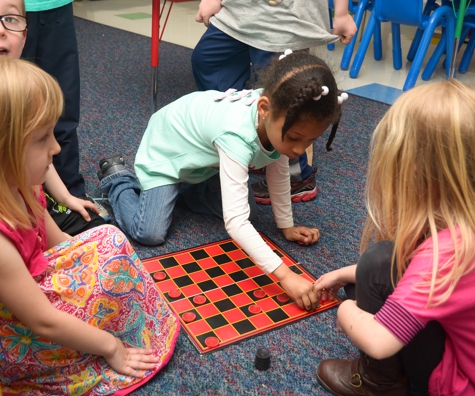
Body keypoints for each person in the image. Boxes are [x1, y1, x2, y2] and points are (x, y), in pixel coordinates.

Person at [99, 51, 347, 311]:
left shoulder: (282, 106)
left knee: (248, 212)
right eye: (295, 138)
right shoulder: (237, 134)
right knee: (149, 233)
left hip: (204, 163)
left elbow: (278, 167)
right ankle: (118, 179)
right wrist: (285, 276)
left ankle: (182, 191)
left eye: (310, 140)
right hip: (166, 154)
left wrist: (286, 225)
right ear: (264, 109)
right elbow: (235, 223)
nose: (299, 149)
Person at [0, 57, 179, 396]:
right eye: (41, 139)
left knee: (107, 237)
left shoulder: (23, 183)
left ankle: (110, 318)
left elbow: (59, 244)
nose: (56, 148)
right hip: (18, 332)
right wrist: (111, 346)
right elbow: (43, 322)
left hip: (38, 282)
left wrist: (93, 266)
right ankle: (100, 343)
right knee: (105, 279)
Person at [313, 80, 475, 396]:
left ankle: (380, 385)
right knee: (370, 273)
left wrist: (346, 314)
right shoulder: (462, 221)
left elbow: (379, 341)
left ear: (412, 170)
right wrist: (345, 274)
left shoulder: (447, 255)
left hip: (461, 382)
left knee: (375, 265)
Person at [192, 0, 356, 204]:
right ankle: (251, 142)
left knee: (287, 94)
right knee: (208, 60)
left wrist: (341, 13)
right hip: (239, 11)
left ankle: (295, 176)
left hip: (286, 20)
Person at [1, 0, 107, 235]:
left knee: (99, 231)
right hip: (8, 215)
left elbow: (37, 156)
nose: (1, 30)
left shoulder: (27, 87)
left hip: (29, 202)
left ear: (24, 35)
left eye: (10, 20)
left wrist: (66, 197)